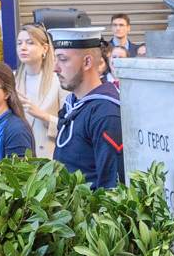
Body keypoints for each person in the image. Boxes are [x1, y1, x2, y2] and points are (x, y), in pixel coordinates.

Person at [50, 23, 126, 189]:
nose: (55, 68)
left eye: (63, 59)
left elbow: (112, 188)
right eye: (55, 59)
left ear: (87, 62)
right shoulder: (72, 104)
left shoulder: (106, 113)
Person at [15, 25, 62, 158]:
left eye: (30, 43)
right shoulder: (12, 80)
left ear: (45, 48)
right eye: (19, 43)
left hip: (48, 158)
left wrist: (43, 115)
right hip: (19, 158)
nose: (23, 47)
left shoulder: (58, 81)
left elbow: (70, 128)